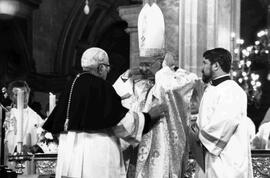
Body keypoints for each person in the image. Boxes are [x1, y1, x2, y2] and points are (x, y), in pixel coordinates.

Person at [42, 47, 167, 178]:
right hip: (96, 154)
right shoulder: (101, 86)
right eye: (107, 67)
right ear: (101, 68)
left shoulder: (72, 84)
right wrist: (148, 117)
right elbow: (121, 123)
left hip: (71, 155)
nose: (108, 71)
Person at [190, 48, 253, 178]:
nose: (202, 68)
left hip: (226, 163)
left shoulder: (231, 90)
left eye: (205, 63)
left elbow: (225, 123)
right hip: (210, 160)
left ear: (216, 65)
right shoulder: (212, 89)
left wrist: (199, 135)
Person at [3, 80, 44, 174]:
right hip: (9, 161)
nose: (23, 97)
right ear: (10, 96)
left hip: (29, 163)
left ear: (29, 93)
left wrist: (31, 149)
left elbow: (43, 140)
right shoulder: (7, 115)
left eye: (25, 93)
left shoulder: (36, 117)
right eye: (17, 94)